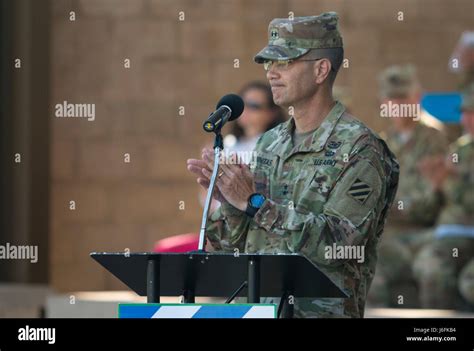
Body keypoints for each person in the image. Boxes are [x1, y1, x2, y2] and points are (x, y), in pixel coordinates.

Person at [187, 12, 399, 318]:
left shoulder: (361, 149)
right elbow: (233, 245)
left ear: (321, 70)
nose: (271, 72)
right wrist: (229, 200)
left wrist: (254, 201)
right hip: (258, 310)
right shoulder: (269, 143)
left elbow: (338, 246)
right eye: (269, 63)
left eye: (284, 62)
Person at [368, 65, 449, 308]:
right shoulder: (380, 142)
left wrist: (401, 208)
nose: (398, 105)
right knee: (368, 276)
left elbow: (435, 194)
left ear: (417, 98)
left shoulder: (435, 138)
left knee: (434, 273)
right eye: (392, 98)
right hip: (390, 236)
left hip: (425, 232)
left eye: (403, 98)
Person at [413, 82, 474, 309]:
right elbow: (434, 205)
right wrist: (436, 184)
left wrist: (454, 179)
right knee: (430, 269)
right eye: (465, 113)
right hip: (451, 233)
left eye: (473, 113)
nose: (467, 120)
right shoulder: (460, 150)